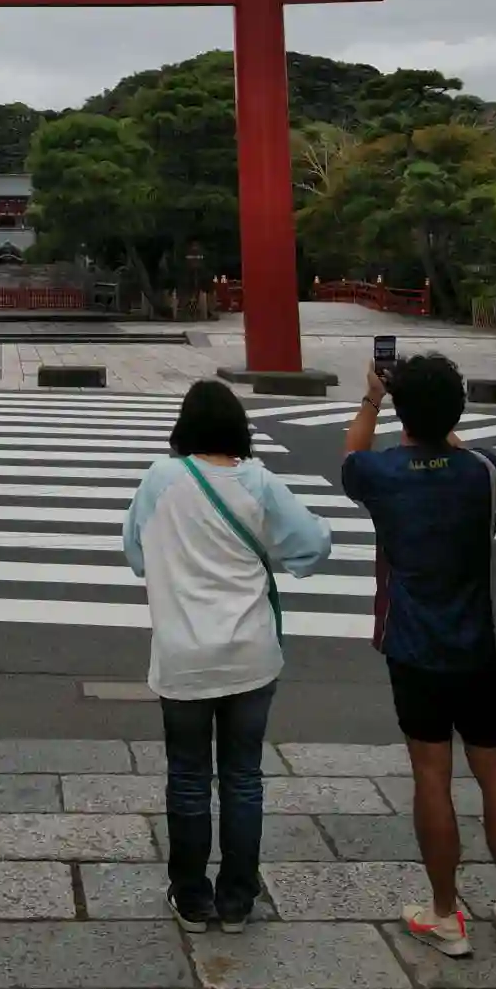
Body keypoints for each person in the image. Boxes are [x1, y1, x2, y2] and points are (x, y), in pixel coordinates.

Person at [124, 378, 332, 931]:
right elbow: (312, 547)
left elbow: (136, 554)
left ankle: (192, 898)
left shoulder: (161, 479)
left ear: (184, 430)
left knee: (188, 777)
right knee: (243, 777)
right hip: (250, 655)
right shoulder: (258, 481)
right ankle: (237, 900)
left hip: (183, 657)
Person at [343, 351, 496, 957]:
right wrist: (439, 421)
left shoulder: (381, 474)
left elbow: (351, 456)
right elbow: (460, 447)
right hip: (482, 648)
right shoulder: (483, 470)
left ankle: (446, 914)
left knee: (432, 775)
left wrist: (372, 398)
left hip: (415, 647)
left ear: (401, 411)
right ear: (458, 410)